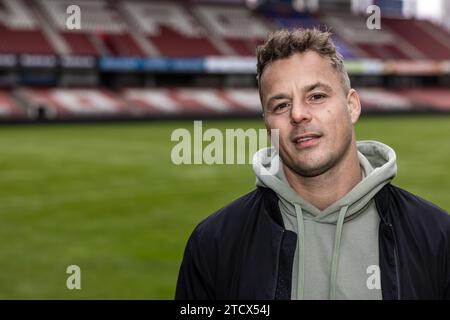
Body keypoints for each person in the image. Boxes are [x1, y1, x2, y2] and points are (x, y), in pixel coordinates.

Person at [175, 28, 450, 300]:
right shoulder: (214, 244)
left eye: (316, 96)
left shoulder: (438, 237)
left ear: (352, 105)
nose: (297, 114)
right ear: (266, 122)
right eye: (280, 105)